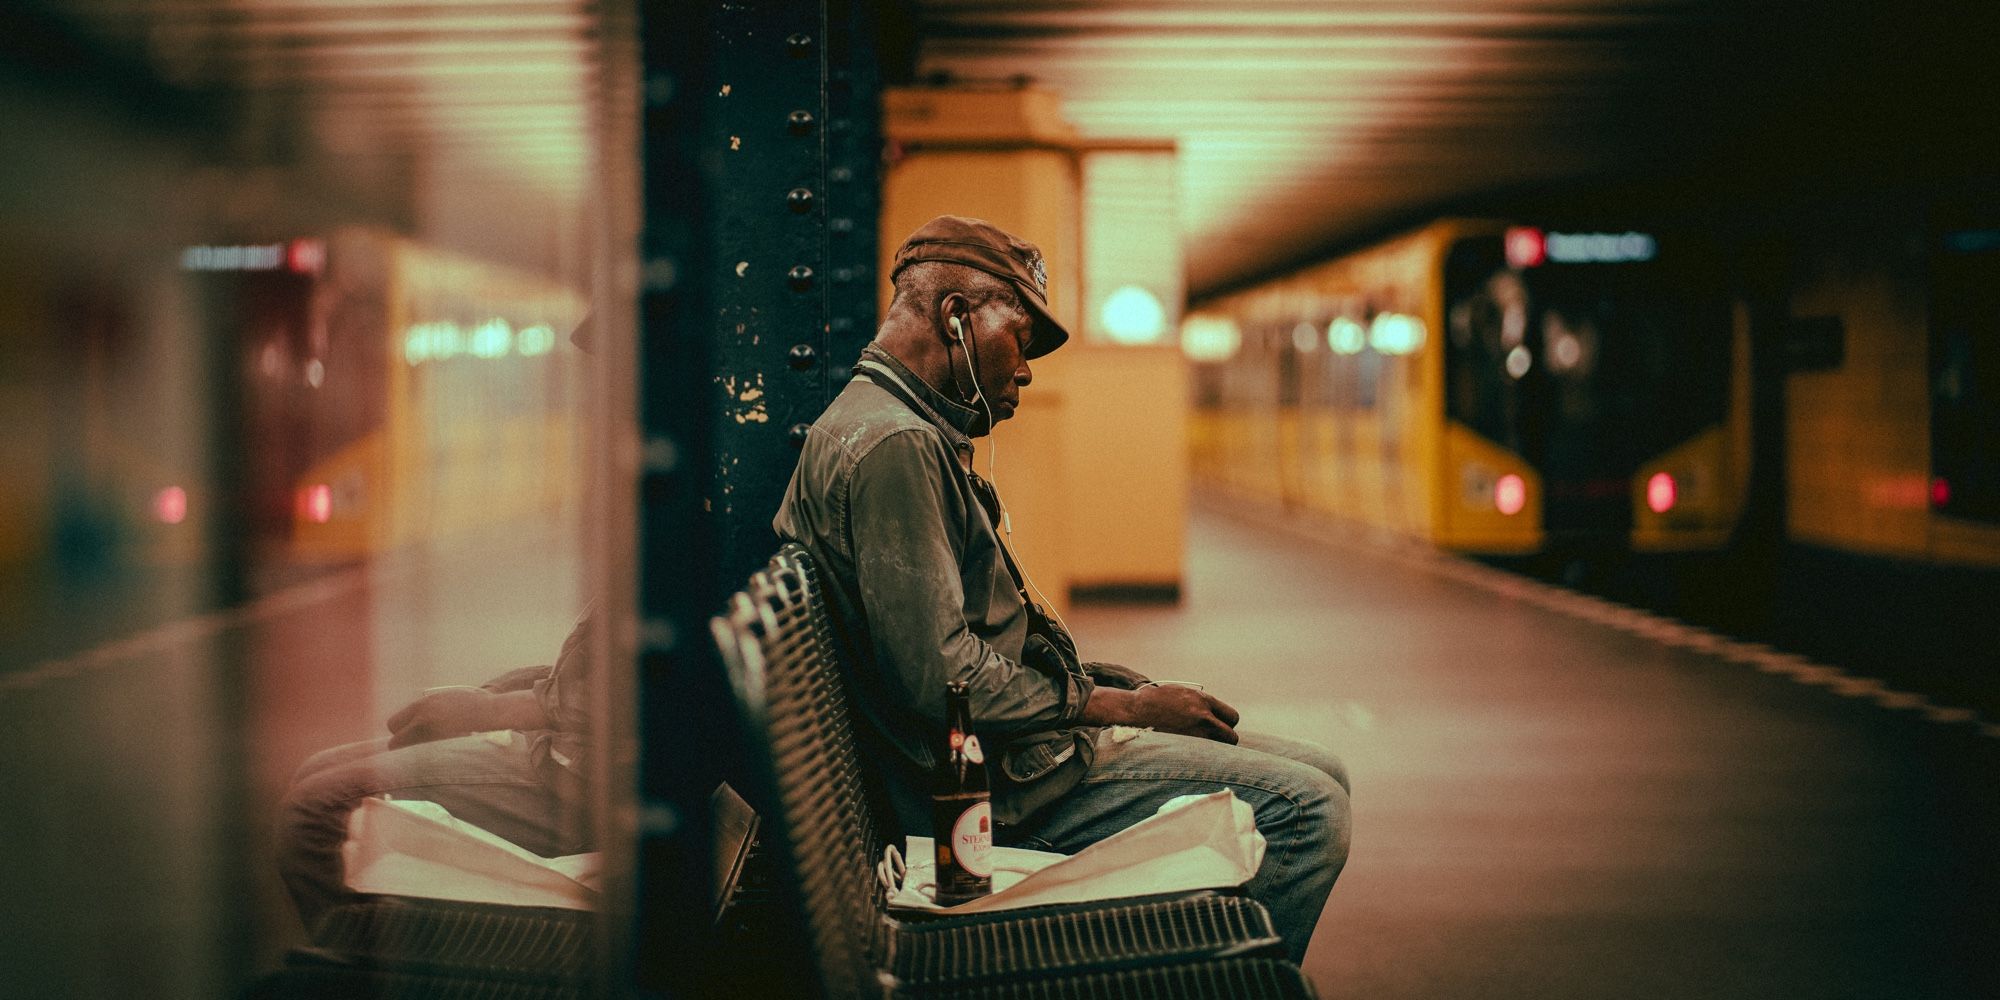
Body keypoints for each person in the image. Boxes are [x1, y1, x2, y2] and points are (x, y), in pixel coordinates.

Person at [773, 216, 1351, 962]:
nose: (1026, 370)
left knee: (1322, 769)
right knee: (1310, 813)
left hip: (989, 761)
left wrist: (1090, 682)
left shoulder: (885, 425)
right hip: (987, 799)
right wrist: (1119, 706)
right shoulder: (899, 447)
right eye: (1020, 339)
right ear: (957, 318)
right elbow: (938, 675)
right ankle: (1227, 980)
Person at [274, 606, 597, 931]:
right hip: (568, 743)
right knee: (318, 769)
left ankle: (364, 964)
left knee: (319, 813)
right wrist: (498, 693)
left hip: (585, 778)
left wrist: (499, 710)